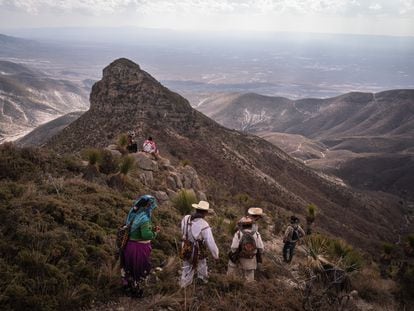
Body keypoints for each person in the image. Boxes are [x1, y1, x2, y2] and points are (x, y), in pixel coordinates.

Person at [121, 195, 160, 297]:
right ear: (148, 206)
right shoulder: (144, 219)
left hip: (130, 246)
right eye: (151, 207)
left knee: (130, 268)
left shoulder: (134, 214)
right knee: (139, 269)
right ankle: (137, 292)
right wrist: (155, 233)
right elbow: (146, 235)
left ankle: (128, 288)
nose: (152, 209)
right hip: (139, 248)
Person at [180, 200, 219, 288]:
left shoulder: (186, 218)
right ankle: (202, 282)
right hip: (197, 250)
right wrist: (216, 255)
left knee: (186, 267)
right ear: (205, 213)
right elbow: (210, 242)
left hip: (185, 246)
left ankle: (183, 286)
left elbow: (183, 231)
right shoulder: (204, 225)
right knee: (202, 265)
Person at [227, 216, 264, 282]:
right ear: (251, 224)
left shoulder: (238, 233)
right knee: (249, 280)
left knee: (232, 269)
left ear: (241, 225)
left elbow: (233, 248)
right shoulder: (257, 234)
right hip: (251, 261)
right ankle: (249, 288)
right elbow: (261, 248)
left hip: (240, 260)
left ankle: (230, 281)